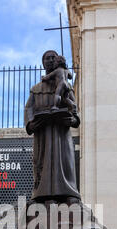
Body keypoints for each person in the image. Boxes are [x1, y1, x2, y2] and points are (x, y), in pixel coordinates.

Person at [24, 50, 80, 201]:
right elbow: (29, 108)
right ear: (43, 63)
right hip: (43, 133)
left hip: (62, 133)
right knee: (44, 163)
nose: (50, 60)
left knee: (65, 162)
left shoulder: (65, 86)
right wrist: (32, 123)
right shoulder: (36, 89)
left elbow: (75, 110)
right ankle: (45, 195)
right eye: (47, 58)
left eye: (52, 58)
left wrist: (73, 120)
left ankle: (69, 193)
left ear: (57, 61)